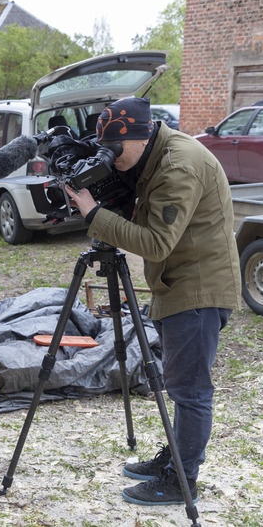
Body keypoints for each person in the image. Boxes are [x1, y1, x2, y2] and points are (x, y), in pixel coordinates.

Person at [65, 97, 242, 505]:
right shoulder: (153, 156)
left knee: (190, 391)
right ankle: (175, 461)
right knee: (181, 385)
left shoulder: (178, 164)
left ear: (139, 137)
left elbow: (156, 243)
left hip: (197, 288)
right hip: (178, 284)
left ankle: (182, 481)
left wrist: (94, 214)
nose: (111, 159)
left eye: (114, 149)